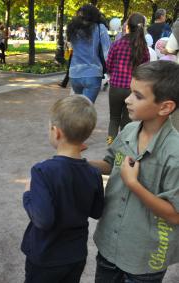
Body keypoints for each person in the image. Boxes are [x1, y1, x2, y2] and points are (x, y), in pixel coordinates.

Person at [90, 61, 179, 283]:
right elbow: (111, 163)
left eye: (137, 96)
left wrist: (133, 185)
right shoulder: (129, 130)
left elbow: (174, 214)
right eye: (130, 92)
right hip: (109, 243)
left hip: (145, 258)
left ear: (165, 107)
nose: (127, 99)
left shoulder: (175, 153)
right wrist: (76, 163)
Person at [21, 95, 104, 283]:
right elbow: (97, 211)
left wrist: (27, 194)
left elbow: (43, 220)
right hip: (75, 255)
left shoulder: (42, 171)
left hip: (45, 256)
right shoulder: (93, 172)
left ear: (56, 132)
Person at [106, 13, 150, 145]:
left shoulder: (117, 44)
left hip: (115, 88)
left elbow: (108, 65)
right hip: (133, 90)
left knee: (113, 119)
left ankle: (110, 146)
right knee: (126, 122)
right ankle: (123, 148)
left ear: (127, 27)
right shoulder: (143, 48)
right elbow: (146, 69)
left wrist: (113, 73)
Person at [66, 4, 111, 103]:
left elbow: (70, 48)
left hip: (75, 74)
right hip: (93, 73)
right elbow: (107, 52)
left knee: (79, 107)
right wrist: (110, 71)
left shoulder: (73, 28)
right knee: (87, 109)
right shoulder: (99, 28)